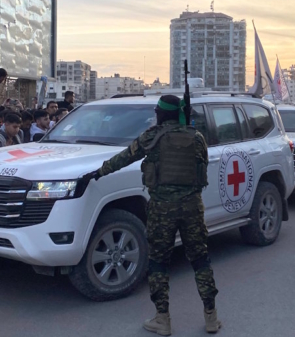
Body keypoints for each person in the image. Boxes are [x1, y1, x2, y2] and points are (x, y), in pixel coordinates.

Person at [78, 95, 220, 335]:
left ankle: (162, 319)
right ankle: (211, 318)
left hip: (162, 208)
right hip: (192, 207)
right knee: (200, 259)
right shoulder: (197, 138)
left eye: (157, 112)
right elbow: (201, 167)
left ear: (162, 114)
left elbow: (124, 158)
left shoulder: (152, 137)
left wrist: (97, 173)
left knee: (158, 262)